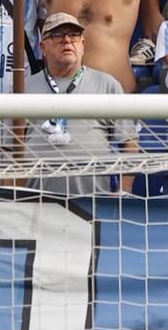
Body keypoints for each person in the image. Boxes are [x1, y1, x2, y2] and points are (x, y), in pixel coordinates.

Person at [23, 11, 142, 195]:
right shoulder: (23, 88)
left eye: (74, 35)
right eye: (57, 35)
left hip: (94, 205)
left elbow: (130, 142)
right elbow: (7, 148)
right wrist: (14, 196)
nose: (67, 40)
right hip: (34, 204)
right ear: (42, 47)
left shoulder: (107, 85)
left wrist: (123, 192)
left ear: (83, 44)